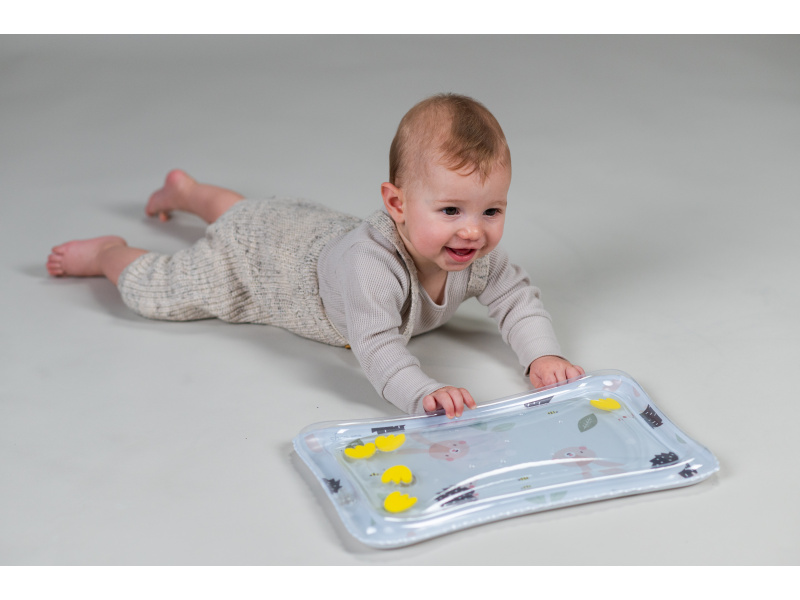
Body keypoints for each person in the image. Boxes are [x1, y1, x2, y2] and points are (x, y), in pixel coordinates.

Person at [46, 93, 584, 418]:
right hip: (263, 272)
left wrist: (541, 356)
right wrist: (424, 392)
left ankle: (188, 192)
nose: (473, 231)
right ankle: (111, 253)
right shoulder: (372, 269)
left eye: (491, 210)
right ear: (396, 205)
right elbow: (377, 347)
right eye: (450, 210)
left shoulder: (476, 254)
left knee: (251, 213)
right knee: (162, 290)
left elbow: (517, 299)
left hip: (309, 231)